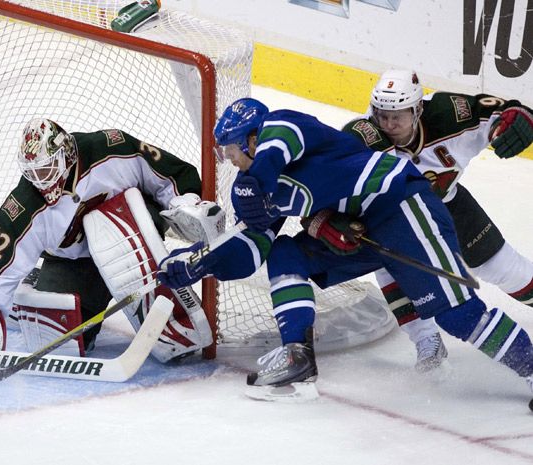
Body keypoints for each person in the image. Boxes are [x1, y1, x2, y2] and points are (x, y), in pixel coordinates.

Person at [158, 97, 533, 402]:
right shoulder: (254, 186)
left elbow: (278, 146)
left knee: (458, 315)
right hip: (364, 234)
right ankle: (297, 355)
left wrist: (255, 184)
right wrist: (198, 264)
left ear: (251, 138)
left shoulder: (281, 126)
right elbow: (251, 249)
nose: (229, 160)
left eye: (230, 150)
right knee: (286, 252)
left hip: (400, 205)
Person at [0, 118, 223, 372]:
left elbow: (167, 172)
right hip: (74, 261)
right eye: (33, 173)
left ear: (67, 154)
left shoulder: (110, 148)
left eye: (48, 168)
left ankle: (168, 317)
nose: (41, 181)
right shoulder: (26, 206)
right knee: (65, 341)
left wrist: (185, 200)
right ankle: (25, 293)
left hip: (130, 228)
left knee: (116, 231)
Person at [342, 70, 533, 371]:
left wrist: (519, 118)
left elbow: (505, 111)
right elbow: (330, 176)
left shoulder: (450, 115)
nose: (389, 125)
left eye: (398, 117)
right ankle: (425, 340)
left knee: (507, 270)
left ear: (418, 110)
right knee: (388, 265)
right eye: (382, 115)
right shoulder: (363, 139)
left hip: (450, 208)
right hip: (400, 223)